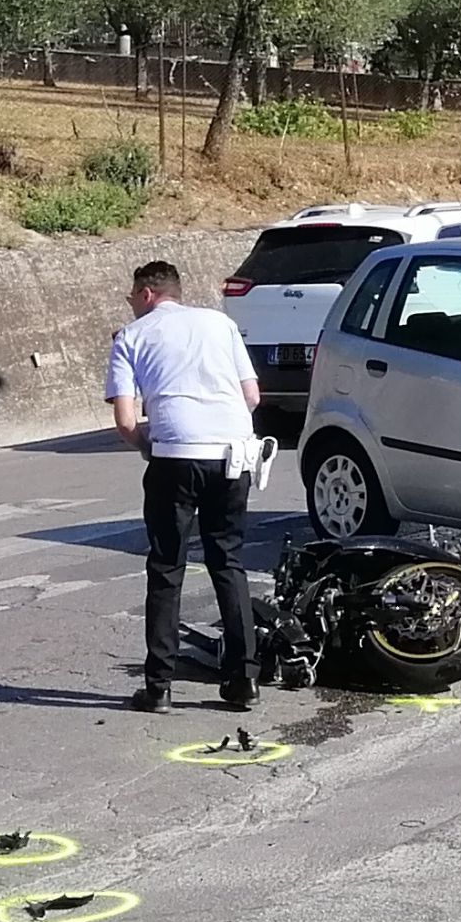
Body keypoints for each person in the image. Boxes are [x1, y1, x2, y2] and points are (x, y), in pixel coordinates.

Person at [104, 259, 264, 713]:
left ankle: (159, 687)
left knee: (167, 567)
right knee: (228, 562)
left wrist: (146, 446)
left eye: (133, 296)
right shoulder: (220, 323)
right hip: (232, 452)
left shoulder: (131, 337)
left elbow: (125, 419)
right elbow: (252, 396)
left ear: (148, 294)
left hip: (175, 455)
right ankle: (243, 680)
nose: (132, 305)